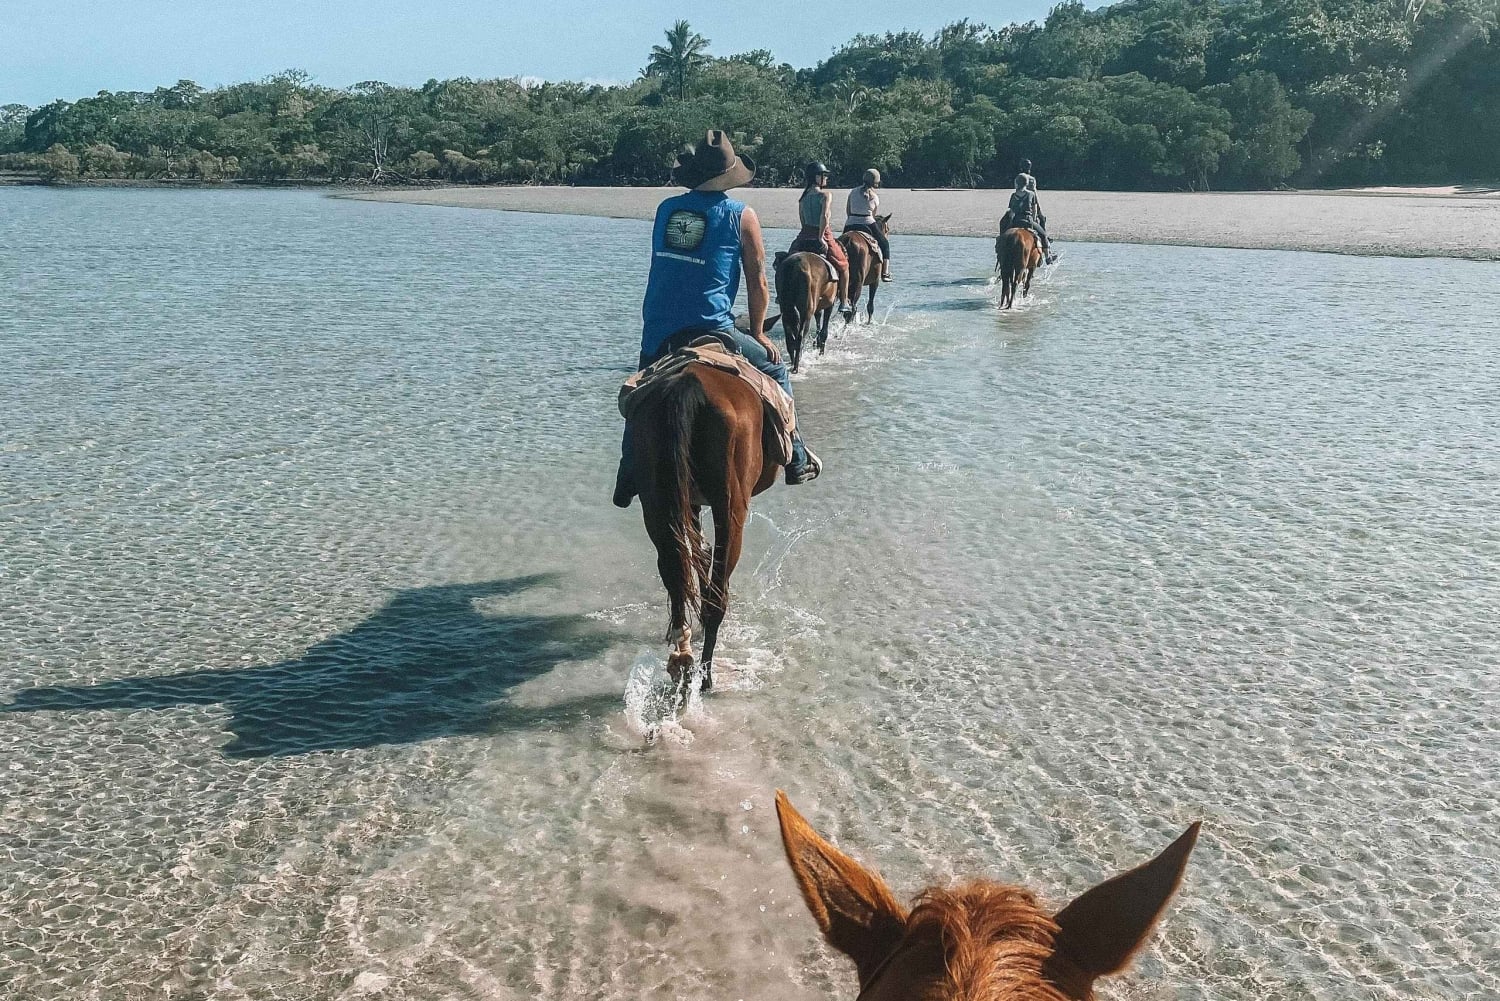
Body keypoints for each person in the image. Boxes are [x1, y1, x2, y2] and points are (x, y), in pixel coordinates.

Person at [613, 130, 822, 509]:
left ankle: (629, 469)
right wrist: (759, 332)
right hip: (713, 327)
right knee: (776, 371)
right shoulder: (742, 215)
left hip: (659, 331)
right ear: (730, 174)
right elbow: (758, 280)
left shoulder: (666, 209)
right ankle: (797, 455)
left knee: (641, 389)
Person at [791, 162, 852, 319]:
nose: (826, 178)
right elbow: (824, 216)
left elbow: (802, 220)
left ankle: (782, 294)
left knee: (787, 260)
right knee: (844, 265)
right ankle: (844, 302)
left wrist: (807, 233)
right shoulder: (825, 195)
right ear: (816, 177)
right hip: (822, 234)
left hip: (804, 234)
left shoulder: (802, 198)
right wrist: (820, 238)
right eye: (824, 175)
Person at [843, 168, 892, 281]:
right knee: (885, 245)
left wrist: (853, 219)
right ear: (876, 182)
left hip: (850, 223)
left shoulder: (853, 192)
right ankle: (885, 273)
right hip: (868, 223)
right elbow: (873, 216)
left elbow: (848, 211)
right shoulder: (874, 197)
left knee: (840, 244)